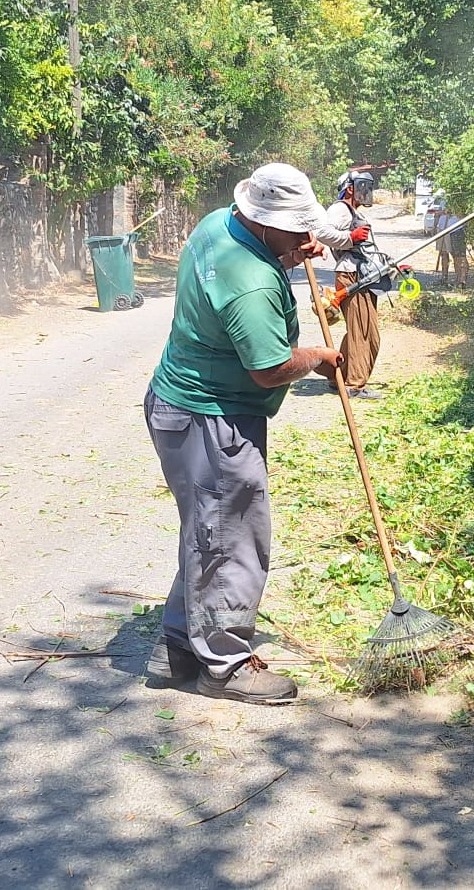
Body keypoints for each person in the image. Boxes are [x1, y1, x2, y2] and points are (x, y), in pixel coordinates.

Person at [143, 163, 343, 705]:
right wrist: (319, 358)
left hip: (175, 405)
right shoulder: (251, 284)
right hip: (213, 420)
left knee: (206, 530)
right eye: (297, 229)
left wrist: (286, 252)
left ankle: (178, 645)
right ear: (264, 222)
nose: (306, 239)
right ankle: (226, 665)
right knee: (232, 538)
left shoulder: (217, 225)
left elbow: (250, 268)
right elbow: (270, 366)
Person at [320, 169, 383, 399]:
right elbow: (321, 232)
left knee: (366, 332)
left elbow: (366, 249)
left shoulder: (354, 212)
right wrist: (349, 239)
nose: (366, 192)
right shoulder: (339, 209)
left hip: (363, 274)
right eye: (362, 186)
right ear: (350, 188)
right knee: (361, 332)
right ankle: (354, 384)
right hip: (351, 276)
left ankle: (338, 374)